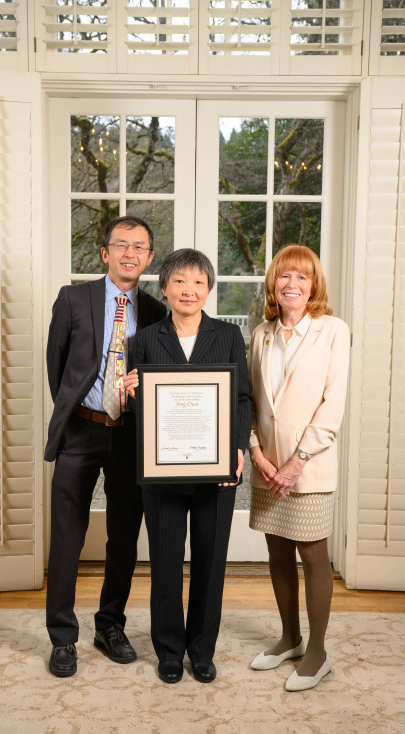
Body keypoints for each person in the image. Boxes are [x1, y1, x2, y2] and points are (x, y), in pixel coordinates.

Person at [44, 216, 167, 678]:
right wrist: (78, 411)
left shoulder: (157, 311)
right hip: (80, 430)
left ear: (150, 258)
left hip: (130, 436)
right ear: (105, 253)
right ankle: (62, 636)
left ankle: (110, 625)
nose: (130, 253)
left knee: (122, 537)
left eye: (139, 246)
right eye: (122, 245)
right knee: (67, 536)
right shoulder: (74, 298)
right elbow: (57, 368)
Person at [124, 249, 252, 684]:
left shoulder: (229, 336)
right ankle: (168, 651)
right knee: (164, 563)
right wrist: (134, 392)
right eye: (180, 281)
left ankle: (201, 651)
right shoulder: (142, 340)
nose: (189, 290)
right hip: (163, 472)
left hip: (217, 470)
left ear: (209, 289)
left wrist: (236, 450)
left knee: (211, 563)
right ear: (164, 287)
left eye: (198, 282)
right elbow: (144, 412)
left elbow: (242, 399)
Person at [247, 244, 350, 692]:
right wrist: (256, 453)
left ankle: (318, 651)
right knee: (277, 552)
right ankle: (290, 637)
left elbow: (332, 406)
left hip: (307, 468)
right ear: (273, 283)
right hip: (267, 466)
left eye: (302, 277)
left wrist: (295, 463)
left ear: (314, 285)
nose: (292, 284)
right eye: (284, 276)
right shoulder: (260, 335)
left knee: (312, 555)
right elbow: (249, 403)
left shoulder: (333, 331)